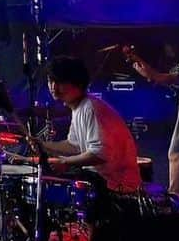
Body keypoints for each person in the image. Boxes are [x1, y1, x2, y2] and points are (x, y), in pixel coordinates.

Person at [35, 56, 141, 193]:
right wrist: (42, 145)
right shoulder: (79, 107)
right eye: (51, 81)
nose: (53, 87)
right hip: (100, 182)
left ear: (77, 83)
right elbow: (74, 146)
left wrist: (65, 162)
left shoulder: (91, 108)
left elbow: (100, 154)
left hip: (116, 188)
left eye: (60, 82)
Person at [126, 20, 179, 198]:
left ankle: (175, 222)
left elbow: (174, 78)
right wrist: (151, 73)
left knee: (176, 193)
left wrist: (151, 75)